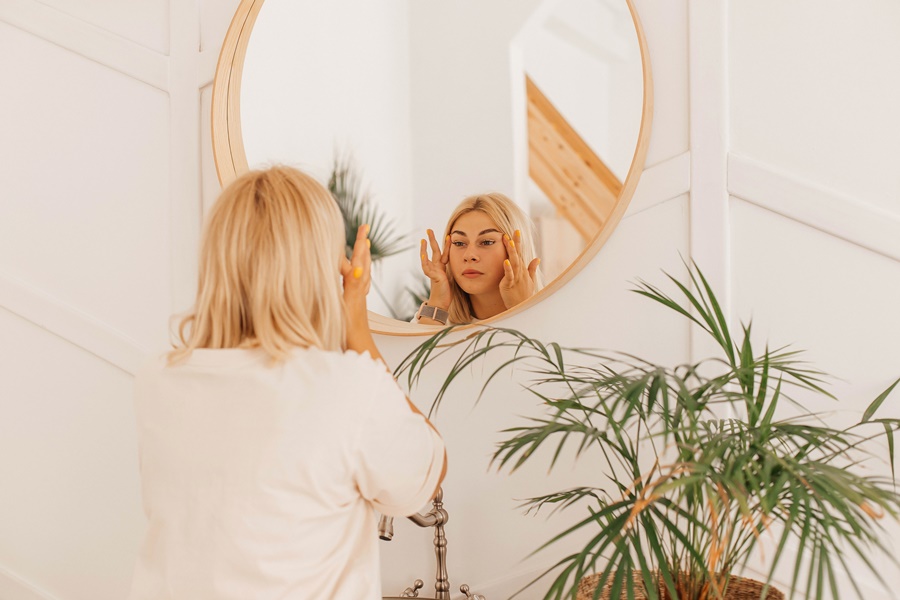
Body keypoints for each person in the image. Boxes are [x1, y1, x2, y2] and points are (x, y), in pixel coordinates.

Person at [128, 166, 446, 600]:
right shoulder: (344, 387)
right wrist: (355, 320)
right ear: (318, 269)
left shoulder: (159, 381)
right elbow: (425, 475)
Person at [416, 192, 542, 325]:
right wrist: (437, 305)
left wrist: (522, 309)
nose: (469, 255)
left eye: (486, 242)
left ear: (517, 249)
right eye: (459, 243)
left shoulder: (550, 319)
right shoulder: (432, 320)